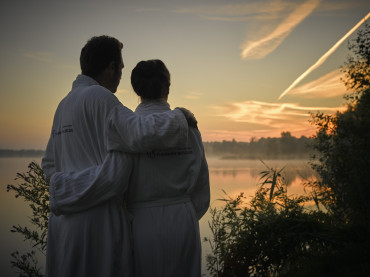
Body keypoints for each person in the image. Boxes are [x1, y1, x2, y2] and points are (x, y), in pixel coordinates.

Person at [42, 36, 196, 277]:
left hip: (63, 226)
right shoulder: (101, 98)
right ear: (111, 67)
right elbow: (140, 133)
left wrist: (65, 190)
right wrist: (179, 117)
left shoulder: (63, 105)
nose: (121, 74)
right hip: (97, 225)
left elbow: (49, 166)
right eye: (121, 67)